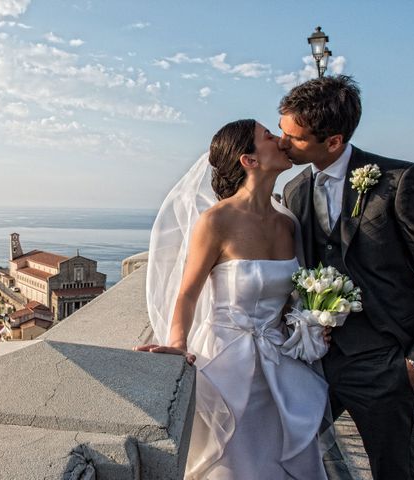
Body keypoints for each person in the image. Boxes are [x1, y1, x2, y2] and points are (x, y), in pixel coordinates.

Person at [138, 119, 329, 479]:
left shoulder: (287, 224)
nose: (281, 140)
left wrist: (312, 327)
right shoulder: (216, 221)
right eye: (269, 137)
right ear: (249, 160)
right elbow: (187, 293)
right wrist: (177, 344)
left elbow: (291, 300)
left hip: (279, 367)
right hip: (225, 367)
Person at [280, 75, 414, 480]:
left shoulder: (399, 181)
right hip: (314, 363)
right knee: (287, 456)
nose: (283, 143)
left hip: (384, 362)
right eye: (282, 131)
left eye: (295, 137)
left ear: (334, 141)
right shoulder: (294, 190)